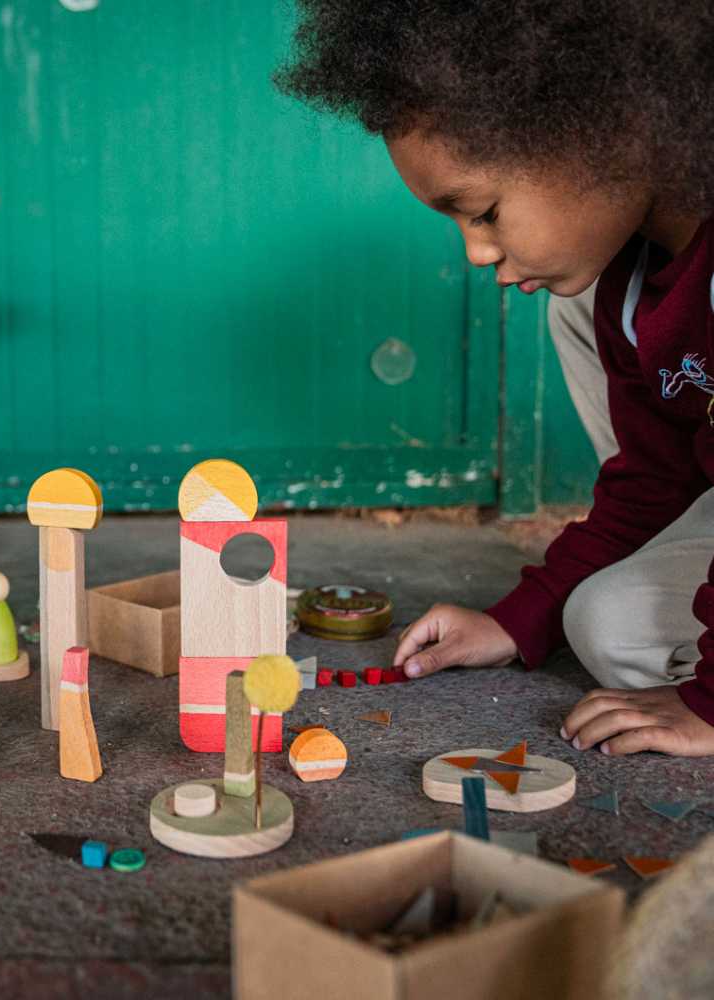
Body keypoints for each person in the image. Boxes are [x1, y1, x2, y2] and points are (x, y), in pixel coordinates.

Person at [277, 0, 714, 756]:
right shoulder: (630, 287)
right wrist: (517, 618)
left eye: (483, 212)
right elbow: (654, 477)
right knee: (604, 624)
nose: (476, 253)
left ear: (609, 132)